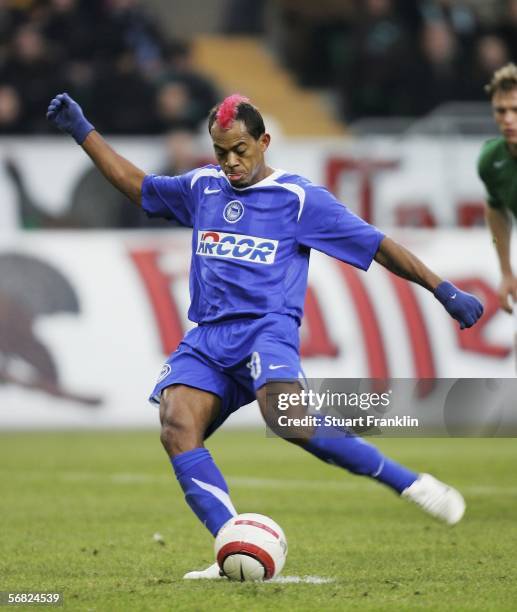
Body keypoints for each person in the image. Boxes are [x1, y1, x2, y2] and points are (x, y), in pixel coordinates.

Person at [47, 92, 483, 579]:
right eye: (220, 151)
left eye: (240, 150)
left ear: (264, 142)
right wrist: (83, 130)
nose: (230, 162)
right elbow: (139, 186)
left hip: (266, 332)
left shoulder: (300, 200)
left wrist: (443, 290)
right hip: (209, 338)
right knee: (176, 423)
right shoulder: (202, 188)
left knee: (288, 420)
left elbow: (378, 246)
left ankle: (410, 483)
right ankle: (232, 542)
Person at [478, 63, 517, 314]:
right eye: (500, 111)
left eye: (516, 110)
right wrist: (506, 272)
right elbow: (495, 212)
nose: (508, 119)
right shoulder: (491, 160)